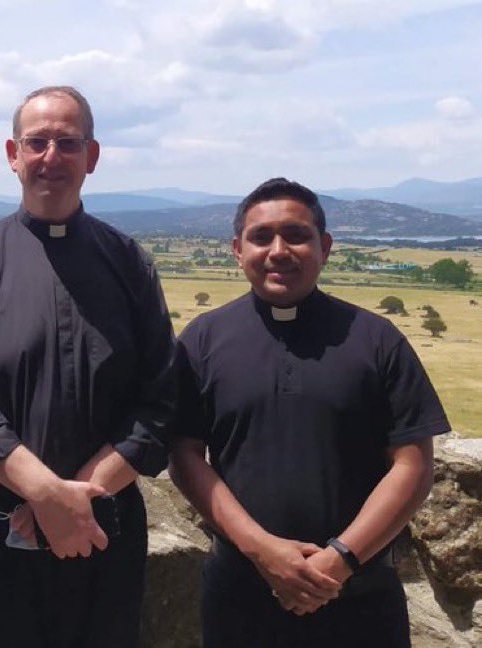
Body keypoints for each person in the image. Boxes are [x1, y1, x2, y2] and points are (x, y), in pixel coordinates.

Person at [0, 86, 177, 648]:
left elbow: (160, 400)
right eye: (36, 142)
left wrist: (75, 501)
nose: (51, 157)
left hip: (104, 529)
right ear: (12, 154)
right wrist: (44, 494)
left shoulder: (129, 264)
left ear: (91, 156)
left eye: (67, 143)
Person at [169, 177, 450, 647]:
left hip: (361, 597)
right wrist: (262, 550)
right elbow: (184, 455)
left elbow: (413, 465)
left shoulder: (377, 340)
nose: (278, 251)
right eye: (261, 237)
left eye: (296, 235)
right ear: (237, 250)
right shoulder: (202, 340)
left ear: (325, 247)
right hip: (240, 595)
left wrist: (339, 559)